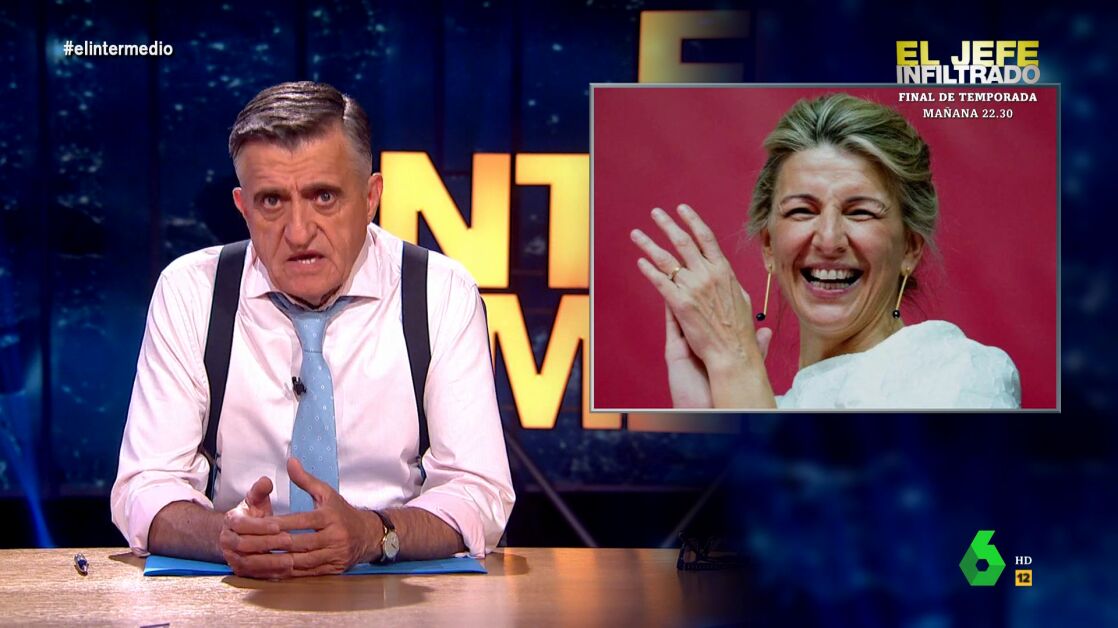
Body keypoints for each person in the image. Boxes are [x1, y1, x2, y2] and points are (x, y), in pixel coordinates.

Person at [111, 81, 515, 578]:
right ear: (243, 207)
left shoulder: (440, 292)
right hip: (239, 592)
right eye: (272, 201)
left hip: (396, 585)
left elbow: (477, 491)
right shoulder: (192, 292)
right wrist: (227, 537)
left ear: (371, 197)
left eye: (324, 196)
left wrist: (374, 533)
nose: (299, 232)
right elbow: (145, 486)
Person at [630, 93, 1020, 410]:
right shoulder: (762, 402)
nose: (829, 239)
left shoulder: (963, 375)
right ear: (769, 246)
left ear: (910, 249)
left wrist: (736, 363)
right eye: (802, 210)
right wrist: (705, 419)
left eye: (861, 212)